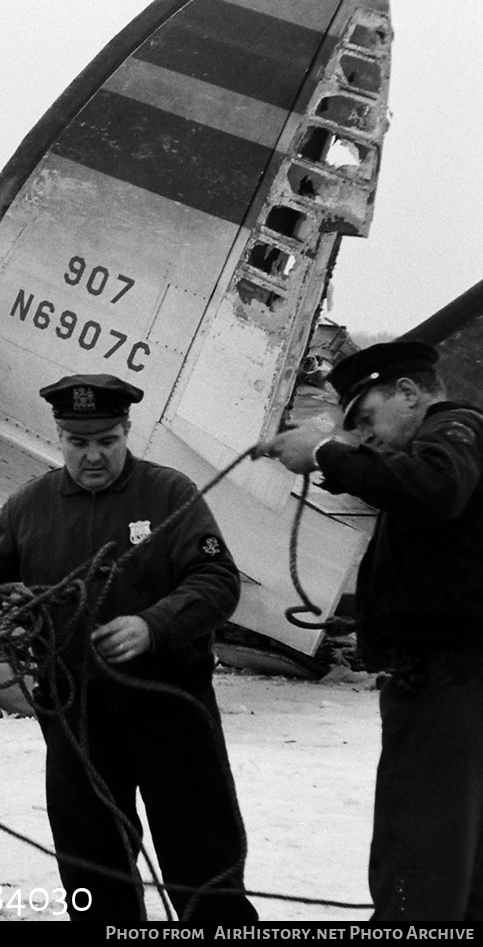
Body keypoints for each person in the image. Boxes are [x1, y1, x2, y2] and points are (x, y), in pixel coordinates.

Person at [0, 374, 256, 922]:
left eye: (107, 442)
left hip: (168, 705)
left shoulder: (169, 494)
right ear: (60, 437)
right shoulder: (31, 503)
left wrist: (152, 626)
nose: (92, 455)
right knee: (91, 865)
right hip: (73, 712)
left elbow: (217, 580)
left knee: (201, 858)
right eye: (77, 442)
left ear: (126, 431)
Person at [258, 341, 483, 920]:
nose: (364, 435)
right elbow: (406, 482)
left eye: (366, 418)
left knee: (419, 849)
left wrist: (329, 450)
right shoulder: (447, 446)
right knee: (460, 855)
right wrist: (321, 456)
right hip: (456, 680)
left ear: (409, 393)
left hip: (446, 683)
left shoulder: (457, 429)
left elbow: (432, 489)